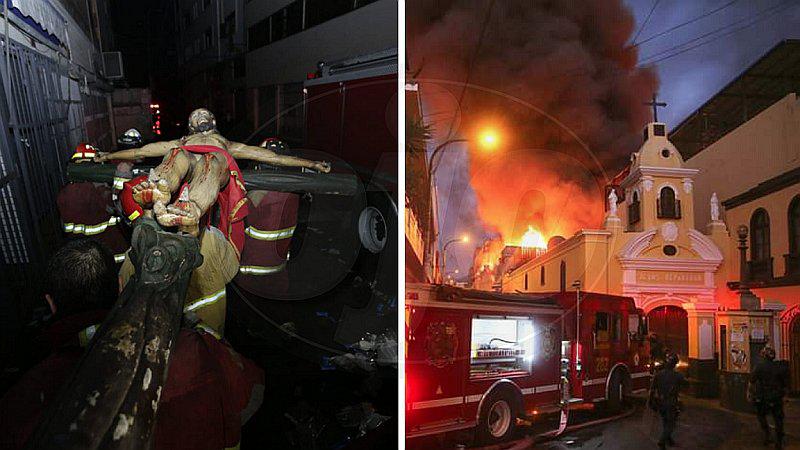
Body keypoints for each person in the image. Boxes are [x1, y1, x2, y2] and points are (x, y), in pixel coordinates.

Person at [0, 239, 264, 450]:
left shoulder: (23, 399)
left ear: (51, 303)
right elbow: (252, 388)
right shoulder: (194, 350)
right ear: (119, 286)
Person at [98, 108, 331, 334]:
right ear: (190, 125)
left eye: (206, 114)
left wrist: (308, 164)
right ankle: (160, 187)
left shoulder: (224, 144)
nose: (202, 116)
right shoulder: (181, 143)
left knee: (213, 161)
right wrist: (108, 156)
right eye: (197, 115)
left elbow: (267, 156)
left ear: (214, 122)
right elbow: (142, 152)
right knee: (175, 157)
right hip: (183, 165)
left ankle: (192, 208)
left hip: (214, 171)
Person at [750, 346, 790, 449]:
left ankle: (767, 435)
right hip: (776, 396)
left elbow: (752, 381)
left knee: (761, 415)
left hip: (764, 396)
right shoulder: (779, 367)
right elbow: (785, 383)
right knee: (778, 419)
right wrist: (785, 395)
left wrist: (750, 393)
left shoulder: (759, 367)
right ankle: (779, 442)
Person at [648, 352, 686, 449]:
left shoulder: (658, 375)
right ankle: (662, 440)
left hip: (661, 402)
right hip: (671, 402)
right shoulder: (678, 376)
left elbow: (652, 389)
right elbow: (685, 387)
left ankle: (668, 440)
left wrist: (650, 402)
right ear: (675, 364)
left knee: (665, 421)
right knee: (671, 423)